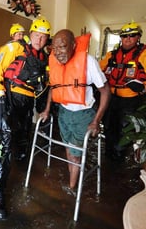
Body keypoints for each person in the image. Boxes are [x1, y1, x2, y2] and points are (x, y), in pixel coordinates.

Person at [0, 17, 51, 220]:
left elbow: (45, 84)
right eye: (36, 35)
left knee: (23, 140)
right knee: (4, 145)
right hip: (8, 98)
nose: (39, 40)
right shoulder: (13, 48)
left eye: (44, 37)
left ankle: (21, 173)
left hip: (27, 103)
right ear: (30, 34)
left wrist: (44, 107)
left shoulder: (44, 58)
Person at [39, 29, 111, 193]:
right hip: (63, 113)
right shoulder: (55, 62)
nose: (57, 53)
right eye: (54, 49)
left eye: (62, 47)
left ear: (73, 45)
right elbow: (54, 87)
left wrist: (96, 121)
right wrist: (47, 109)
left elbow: (105, 91)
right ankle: (73, 175)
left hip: (83, 116)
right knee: (68, 148)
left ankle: (72, 188)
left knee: (76, 154)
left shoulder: (88, 62)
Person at [99, 21, 146, 161]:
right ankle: (108, 154)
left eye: (132, 35)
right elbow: (97, 69)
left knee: (125, 130)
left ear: (138, 37)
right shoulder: (111, 55)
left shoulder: (145, 55)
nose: (128, 39)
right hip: (110, 98)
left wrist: (144, 86)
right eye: (124, 36)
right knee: (108, 126)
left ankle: (120, 157)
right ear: (120, 38)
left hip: (130, 100)